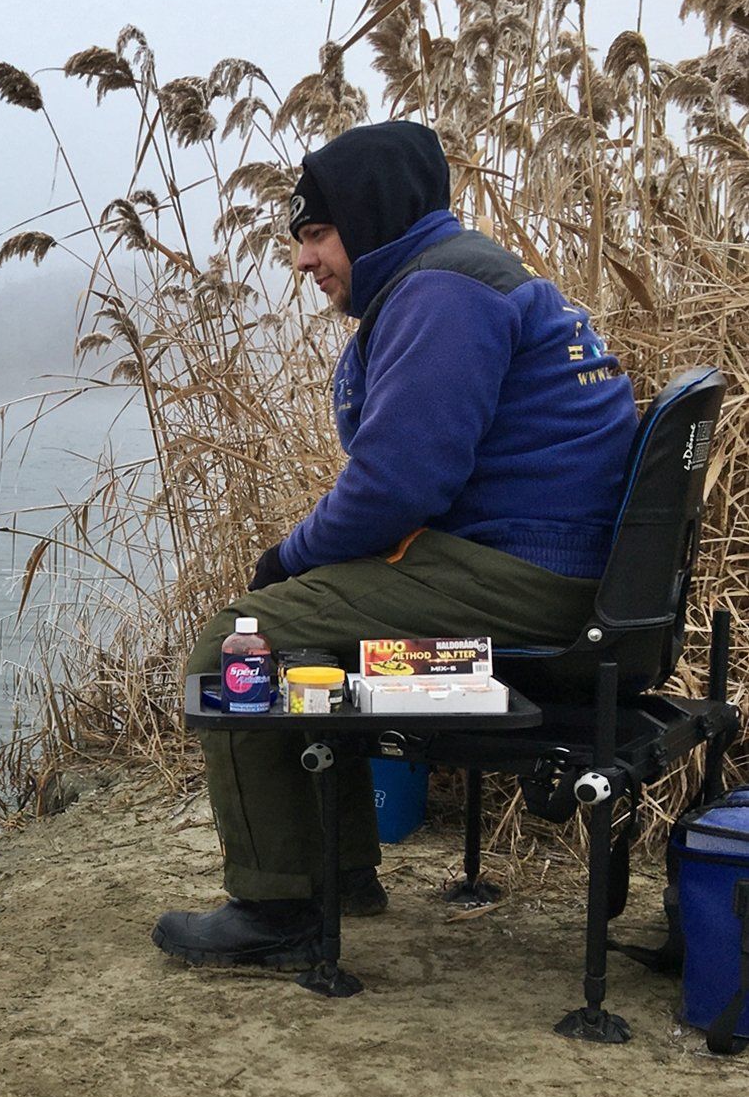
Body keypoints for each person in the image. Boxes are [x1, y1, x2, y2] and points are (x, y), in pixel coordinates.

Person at [152, 119, 639, 968]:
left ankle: (279, 908)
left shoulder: (440, 294)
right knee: (296, 629)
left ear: (371, 217)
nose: (302, 260)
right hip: (551, 566)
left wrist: (285, 559)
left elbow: (398, 485)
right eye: (298, 240)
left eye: (315, 234)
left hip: (524, 576)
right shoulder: (470, 276)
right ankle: (334, 878)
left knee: (239, 642)